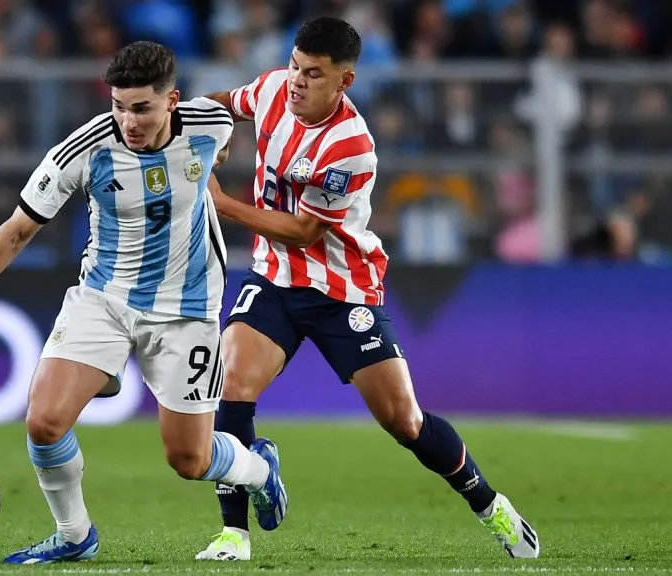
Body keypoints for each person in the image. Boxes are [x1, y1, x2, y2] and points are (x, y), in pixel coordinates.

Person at [0, 41, 287, 565]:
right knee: (43, 421)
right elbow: (16, 232)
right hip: (104, 299)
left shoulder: (209, 124)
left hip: (188, 309)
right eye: (117, 105)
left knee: (189, 459)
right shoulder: (82, 151)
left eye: (141, 108)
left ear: (172, 101)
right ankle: (74, 535)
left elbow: (247, 108)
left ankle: (259, 470)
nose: (127, 121)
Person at [195, 17, 540, 561]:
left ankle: (488, 503)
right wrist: (186, 119)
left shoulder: (351, 146)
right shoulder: (269, 90)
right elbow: (221, 103)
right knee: (232, 383)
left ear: (345, 81)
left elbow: (306, 231)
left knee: (405, 421)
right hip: (275, 280)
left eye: (312, 74)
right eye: (294, 67)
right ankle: (233, 533)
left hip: (343, 291)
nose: (296, 82)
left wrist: (222, 203)